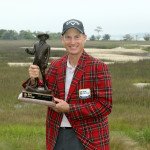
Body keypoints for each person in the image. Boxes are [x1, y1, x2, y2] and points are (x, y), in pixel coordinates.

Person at [26, 19, 112, 150]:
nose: (72, 42)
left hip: (88, 139)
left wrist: (69, 108)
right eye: (68, 37)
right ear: (62, 39)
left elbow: (105, 106)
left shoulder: (98, 67)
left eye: (77, 37)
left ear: (84, 38)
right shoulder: (56, 65)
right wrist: (34, 80)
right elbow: (46, 92)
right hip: (57, 136)